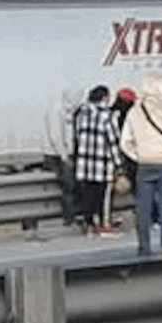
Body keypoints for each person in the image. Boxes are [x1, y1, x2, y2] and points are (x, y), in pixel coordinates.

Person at [118, 70, 162, 257]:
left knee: (143, 208)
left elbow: (125, 141)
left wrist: (139, 155)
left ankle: (144, 247)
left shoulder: (135, 111)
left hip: (145, 164)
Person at [69, 85, 119, 237]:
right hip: (102, 164)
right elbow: (113, 140)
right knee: (102, 197)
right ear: (104, 98)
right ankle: (103, 224)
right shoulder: (107, 115)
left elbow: (77, 136)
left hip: (84, 164)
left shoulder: (80, 114)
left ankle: (89, 224)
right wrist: (118, 163)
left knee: (87, 194)